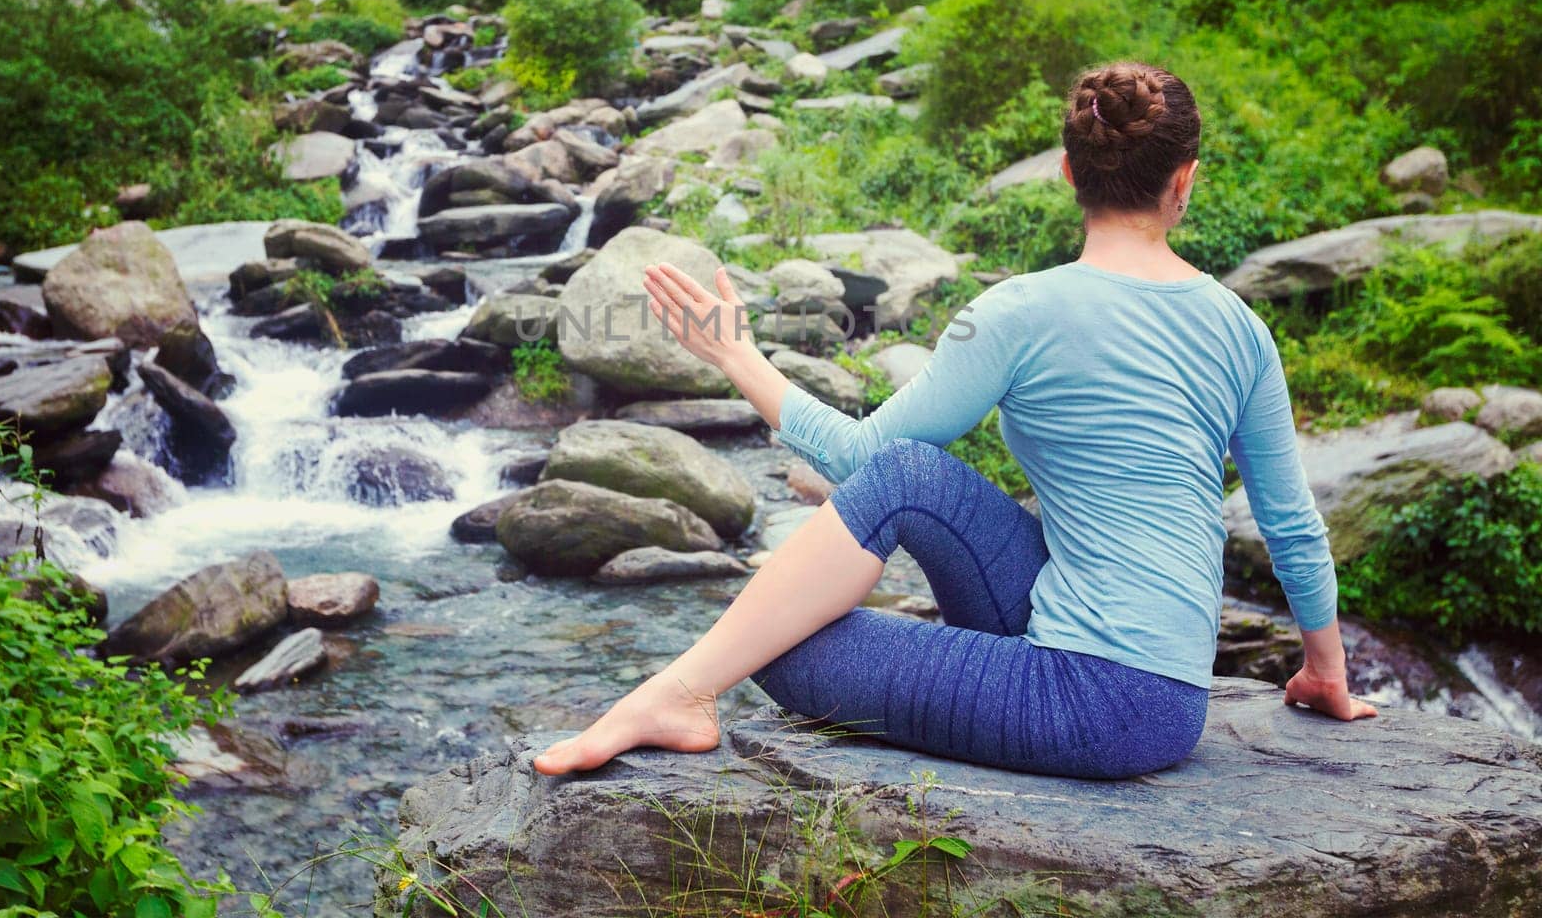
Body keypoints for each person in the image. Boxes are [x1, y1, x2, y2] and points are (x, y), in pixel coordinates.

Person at [534, 61, 1376, 781]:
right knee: (909, 485)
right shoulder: (1243, 329)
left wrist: (737, 357)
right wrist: (1324, 672)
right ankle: (681, 692)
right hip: (1156, 688)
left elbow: (858, 452)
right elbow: (1292, 525)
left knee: (778, 645)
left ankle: (680, 694)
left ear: (1069, 175)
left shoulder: (1014, 310)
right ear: (1184, 178)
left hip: (1102, 705)